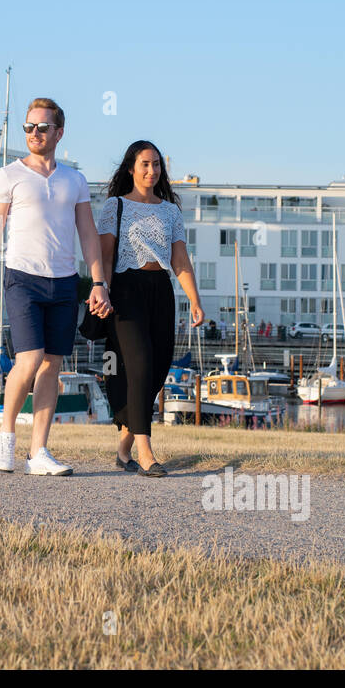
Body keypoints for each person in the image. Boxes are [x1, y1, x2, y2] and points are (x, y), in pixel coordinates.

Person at [0, 97, 109, 477]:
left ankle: (39, 452)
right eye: (29, 127)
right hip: (22, 278)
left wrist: (98, 282)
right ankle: (5, 436)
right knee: (30, 359)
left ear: (59, 132)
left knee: (52, 365)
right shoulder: (8, 176)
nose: (34, 133)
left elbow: (88, 234)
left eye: (42, 127)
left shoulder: (75, 180)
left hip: (65, 282)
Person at [95, 140, 203, 477]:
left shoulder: (170, 210)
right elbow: (106, 256)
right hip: (126, 291)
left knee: (158, 367)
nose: (151, 170)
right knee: (139, 365)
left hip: (162, 291)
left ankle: (124, 446)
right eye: (144, 164)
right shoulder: (115, 206)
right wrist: (103, 292)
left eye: (156, 164)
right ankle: (145, 453)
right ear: (131, 168)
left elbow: (180, 260)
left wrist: (195, 300)